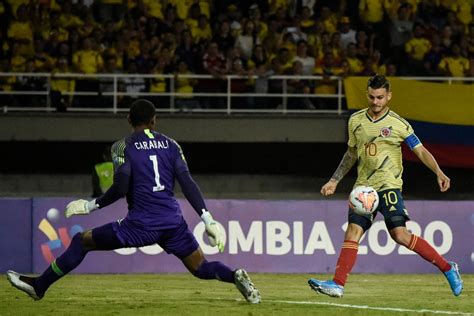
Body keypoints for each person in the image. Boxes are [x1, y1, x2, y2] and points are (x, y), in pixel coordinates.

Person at [6, 99, 261, 304]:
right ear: (154, 120)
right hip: (173, 222)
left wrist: (90, 205)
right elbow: (187, 182)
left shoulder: (122, 147)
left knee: (81, 241)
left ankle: (39, 286)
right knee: (200, 267)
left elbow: (121, 187)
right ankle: (235, 275)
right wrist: (208, 219)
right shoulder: (172, 145)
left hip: (140, 224)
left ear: (129, 119)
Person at [308, 75, 463, 298]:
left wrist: (438, 171)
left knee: (400, 235)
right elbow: (351, 154)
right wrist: (334, 180)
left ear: (389, 96)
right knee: (352, 233)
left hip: (389, 187)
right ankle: (337, 284)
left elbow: (420, 150)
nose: (375, 102)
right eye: (371, 96)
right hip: (363, 190)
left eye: (380, 97)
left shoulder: (399, 124)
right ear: (367, 94)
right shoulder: (356, 121)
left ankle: (448, 268)